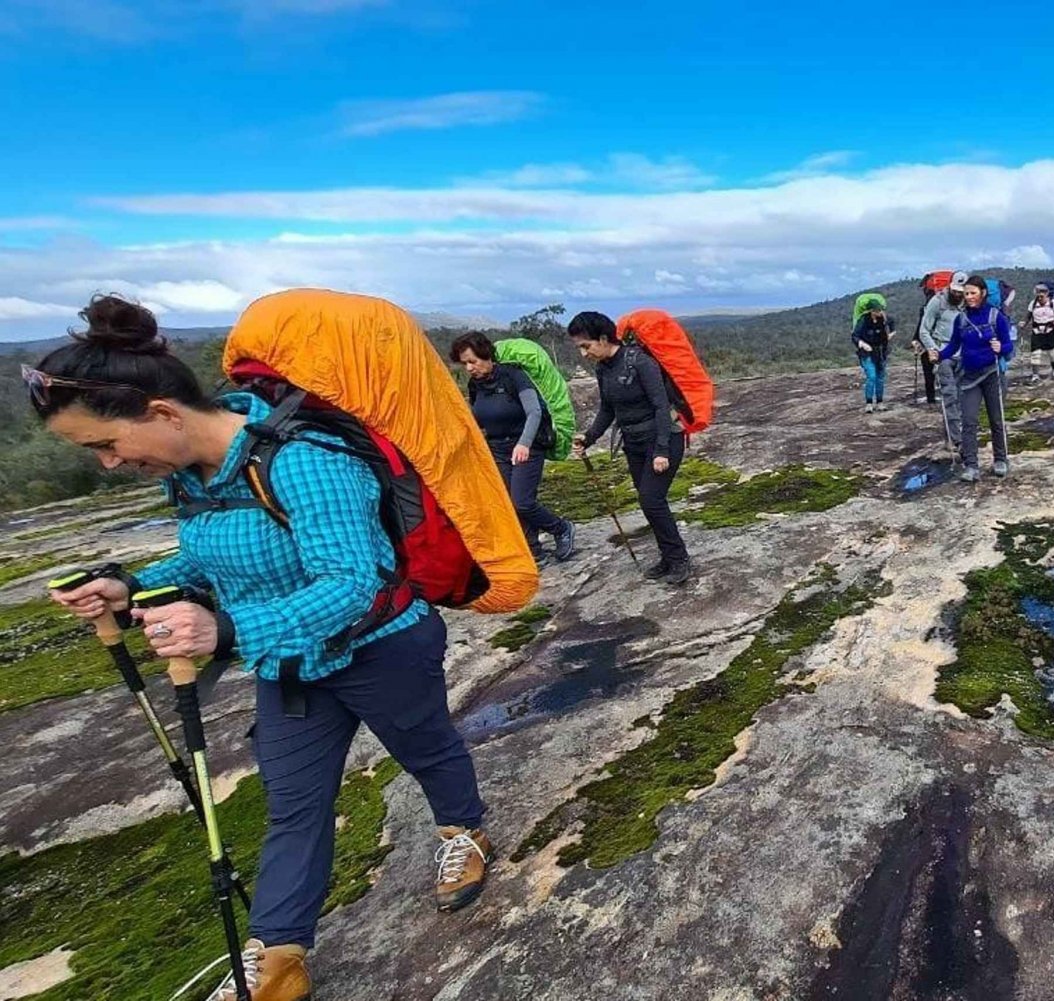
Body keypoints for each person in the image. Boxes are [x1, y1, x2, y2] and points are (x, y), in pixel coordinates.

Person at [31, 295, 492, 1001]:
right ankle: (277, 957)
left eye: (105, 443)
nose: (107, 463)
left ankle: (465, 830)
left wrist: (229, 632)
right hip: (293, 664)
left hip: (383, 647)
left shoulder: (305, 459)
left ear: (161, 413)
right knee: (294, 802)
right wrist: (130, 587)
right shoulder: (191, 477)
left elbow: (353, 582)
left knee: (426, 746)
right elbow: (208, 563)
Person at [567, 310, 692, 584]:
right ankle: (668, 558)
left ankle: (679, 558)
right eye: (580, 348)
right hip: (634, 443)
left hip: (664, 438)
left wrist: (661, 451)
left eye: (585, 346)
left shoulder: (640, 363)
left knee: (651, 500)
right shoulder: (603, 369)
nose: (584, 353)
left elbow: (661, 406)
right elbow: (607, 410)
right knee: (650, 503)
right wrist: (588, 438)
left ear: (602, 338)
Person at [450, 331, 575, 565]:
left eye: (472, 361)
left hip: (526, 446)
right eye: (465, 363)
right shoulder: (475, 385)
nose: (469, 368)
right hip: (497, 448)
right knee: (510, 503)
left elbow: (534, 411)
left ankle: (561, 528)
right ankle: (534, 550)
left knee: (523, 501)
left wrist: (524, 443)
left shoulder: (514, 376)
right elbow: (477, 417)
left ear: (486, 356)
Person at [937, 275, 1015, 482]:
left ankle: (1001, 460)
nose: (969, 297)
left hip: (992, 375)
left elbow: (1009, 346)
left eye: (973, 293)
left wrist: (1002, 348)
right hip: (969, 377)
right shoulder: (961, 319)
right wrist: (937, 355)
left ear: (983, 293)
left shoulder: (995, 316)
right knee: (969, 421)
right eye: (966, 294)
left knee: (996, 420)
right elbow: (953, 346)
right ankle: (971, 466)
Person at [916, 270, 968, 447]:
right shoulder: (937, 302)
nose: (957, 294)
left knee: (963, 397)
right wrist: (933, 349)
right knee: (949, 395)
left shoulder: (969, 302)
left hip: (964, 355)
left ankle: (954, 435)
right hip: (943, 354)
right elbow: (924, 330)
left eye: (961, 292)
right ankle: (956, 440)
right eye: (955, 291)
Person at [851, 302, 893, 413]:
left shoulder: (882, 320)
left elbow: (889, 328)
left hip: (880, 352)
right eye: (878, 310)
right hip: (867, 352)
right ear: (872, 311)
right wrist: (862, 344)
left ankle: (880, 402)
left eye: (881, 310)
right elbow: (854, 336)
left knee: (880, 377)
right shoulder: (863, 321)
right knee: (871, 376)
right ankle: (869, 403)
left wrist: (889, 336)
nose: (880, 312)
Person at [1023, 284, 1054, 384]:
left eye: (1042, 296)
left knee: (1051, 352)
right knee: (1035, 352)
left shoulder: (1053, 303)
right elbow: (1028, 316)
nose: (1040, 298)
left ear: (1047, 294)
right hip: (1037, 330)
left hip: (1050, 330)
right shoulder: (1033, 304)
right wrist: (1024, 323)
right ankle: (1035, 375)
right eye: (1038, 296)